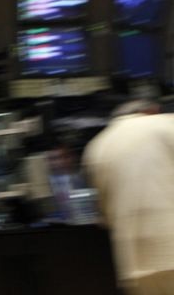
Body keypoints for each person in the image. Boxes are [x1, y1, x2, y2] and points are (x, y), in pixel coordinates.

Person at [82, 99, 174, 294]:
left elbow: (105, 215)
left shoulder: (97, 146)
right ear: (151, 111)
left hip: (136, 263)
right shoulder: (166, 123)